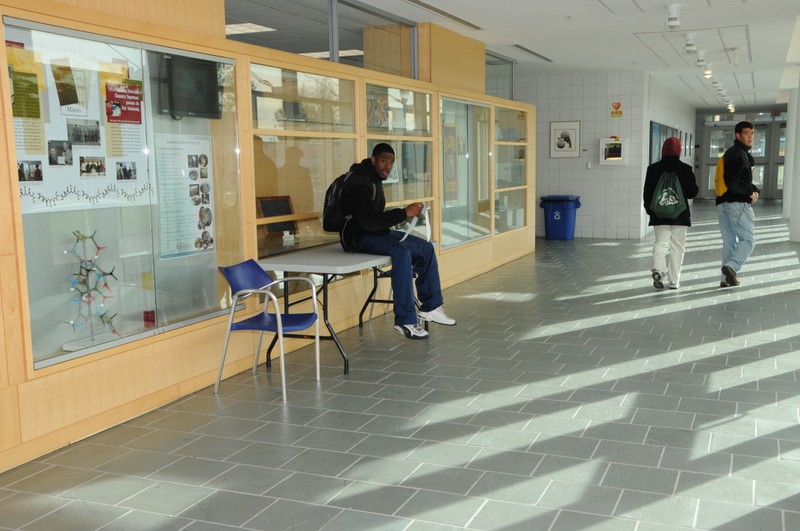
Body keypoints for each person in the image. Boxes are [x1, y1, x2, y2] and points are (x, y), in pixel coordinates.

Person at [340, 143, 455, 340]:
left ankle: (431, 307)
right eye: (384, 161)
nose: (388, 166)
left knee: (425, 248)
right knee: (402, 252)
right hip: (358, 238)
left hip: (375, 232)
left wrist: (406, 214)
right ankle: (405, 320)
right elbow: (367, 221)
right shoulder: (360, 183)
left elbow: (374, 218)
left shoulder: (373, 179)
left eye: (391, 162)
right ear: (373, 159)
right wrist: (403, 213)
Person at [643, 137, 698, 290]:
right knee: (677, 246)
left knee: (661, 243)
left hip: (659, 214)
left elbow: (647, 193)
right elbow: (692, 192)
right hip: (680, 214)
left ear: (663, 150)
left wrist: (651, 210)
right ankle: (674, 280)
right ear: (679, 150)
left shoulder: (652, 169)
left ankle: (658, 271)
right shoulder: (685, 169)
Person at [717, 121, 759, 287]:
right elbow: (733, 182)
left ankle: (725, 279)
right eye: (746, 133)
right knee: (748, 240)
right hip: (737, 204)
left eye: (752, 133)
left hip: (723, 204)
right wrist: (750, 193)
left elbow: (737, 180)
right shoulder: (738, 154)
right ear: (738, 135)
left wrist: (753, 189)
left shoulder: (733, 153)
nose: (750, 137)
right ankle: (731, 267)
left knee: (730, 242)